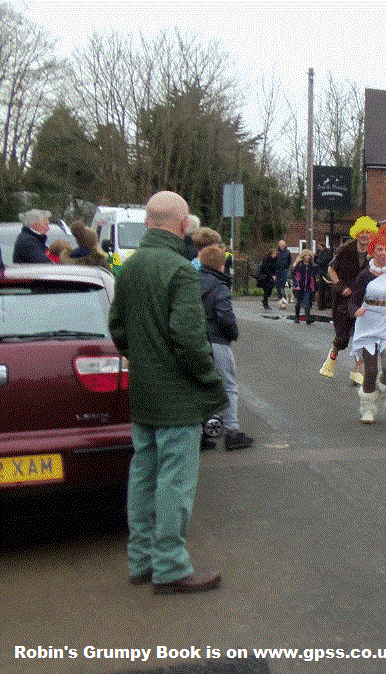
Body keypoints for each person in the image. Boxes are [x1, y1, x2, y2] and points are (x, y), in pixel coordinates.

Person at [108, 190, 226, 594]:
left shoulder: (130, 267)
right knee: (175, 482)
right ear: (182, 226)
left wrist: (144, 356)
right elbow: (191, 341)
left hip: (143, 394)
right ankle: (172, 567)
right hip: (177, 399)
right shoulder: (179, 270)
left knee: (143, 476)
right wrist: (211, 381)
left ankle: (140, 560)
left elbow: (119, 331)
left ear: (146, 224)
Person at [197, 244, 254, 452]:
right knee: (228, 386)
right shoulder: (219, 287)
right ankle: (232, 432)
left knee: (201, 386)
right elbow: (224, 315)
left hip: (196, 341)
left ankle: (201, 433)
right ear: (222, 265)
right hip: (218, 341)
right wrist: (232, 333)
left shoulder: (191, 281)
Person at [349, 224, 386, 423]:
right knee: (370, 372)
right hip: (369, 324)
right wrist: (355, 311)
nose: (383, 253)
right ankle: (368, 408)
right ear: (373, 250)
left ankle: (385, 392)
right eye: (379, 249)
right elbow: (354, 300)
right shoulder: (365, 274)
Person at [320, 217, 377, 383]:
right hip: (344, 300)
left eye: (368, 232)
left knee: (362, 336)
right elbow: (331, 268)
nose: (365, 235)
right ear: (356, 233)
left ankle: (357, 371)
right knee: (343, 336)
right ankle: (333, 354)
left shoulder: (374, 253)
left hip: (364, 300)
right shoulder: (346, 249)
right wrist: (340, 286)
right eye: (362, 232)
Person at [292, 248, 319, 324]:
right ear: (303, 256)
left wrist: (314, 287)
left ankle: (307, 318)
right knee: (298, 303)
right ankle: (297, 316)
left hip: (308, 287)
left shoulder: (312, 265)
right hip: (299, 287)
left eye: (309, 255)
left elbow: (314, 276)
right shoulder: (299, 265)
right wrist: (296, 284)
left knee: (307, 302)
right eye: (306, 255)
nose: (307, 257)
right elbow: (294, 275)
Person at [313, 241, 334, 310]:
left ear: (323, 247)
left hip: (325, 272)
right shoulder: (319, 253)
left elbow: (323, 261)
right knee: (320, 289)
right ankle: (321, 305)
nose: (318, 249)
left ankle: (327, 303)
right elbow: (316, 261)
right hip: (321, 272)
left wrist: (318, 260)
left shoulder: (327, 252)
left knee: (327, 288)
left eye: (319, 247)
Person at [272, 239, 292, 305]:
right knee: (278, 283)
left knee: (284, 282)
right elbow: (273, 260)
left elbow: (289, 260)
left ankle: (284, 295)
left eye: (283, 244)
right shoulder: (277, 252)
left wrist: (287, 267)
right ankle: (280, 296)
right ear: (279, 245)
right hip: (277, 270)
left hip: (284, 269)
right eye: (281, 244)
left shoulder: (287, 252)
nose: (282, 245)